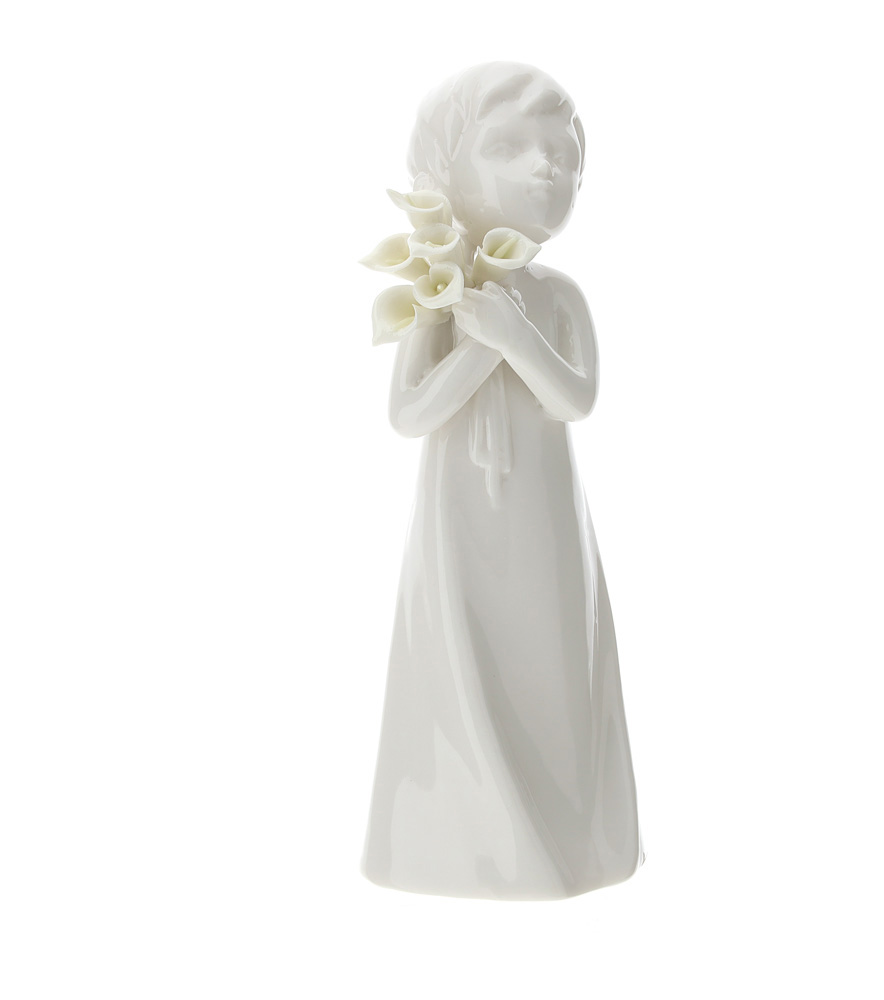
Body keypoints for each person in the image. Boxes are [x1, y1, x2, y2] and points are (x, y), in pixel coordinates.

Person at [362, 62, 641, 899]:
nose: (547, 167)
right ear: (445, 170)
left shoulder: (559, 298)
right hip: (460, 520)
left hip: (542, 515)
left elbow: (575, 398)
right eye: (512, 146)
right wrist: (481, 345)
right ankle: (456, 840)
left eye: (565, 153)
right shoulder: (437, 298)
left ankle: (569, 834)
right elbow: (409, 413)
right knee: (461, 650)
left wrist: (517, 337)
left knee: (550, 653)